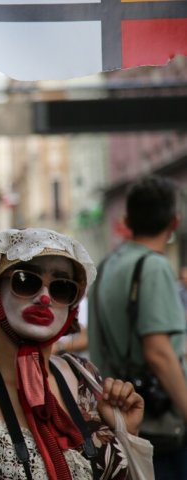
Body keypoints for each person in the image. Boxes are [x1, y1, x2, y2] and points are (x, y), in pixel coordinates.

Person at [0, 227, 146, 479]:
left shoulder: (85, 378)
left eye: (62, 288)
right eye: (26, 281)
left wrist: (126, 432)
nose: (44, 297)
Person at [88, 175, 187, 479]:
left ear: (127, 220)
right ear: (174, 221)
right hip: (160, 424)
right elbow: (158, 352)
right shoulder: (154, 267)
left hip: (118, 414)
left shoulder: (106, 266)